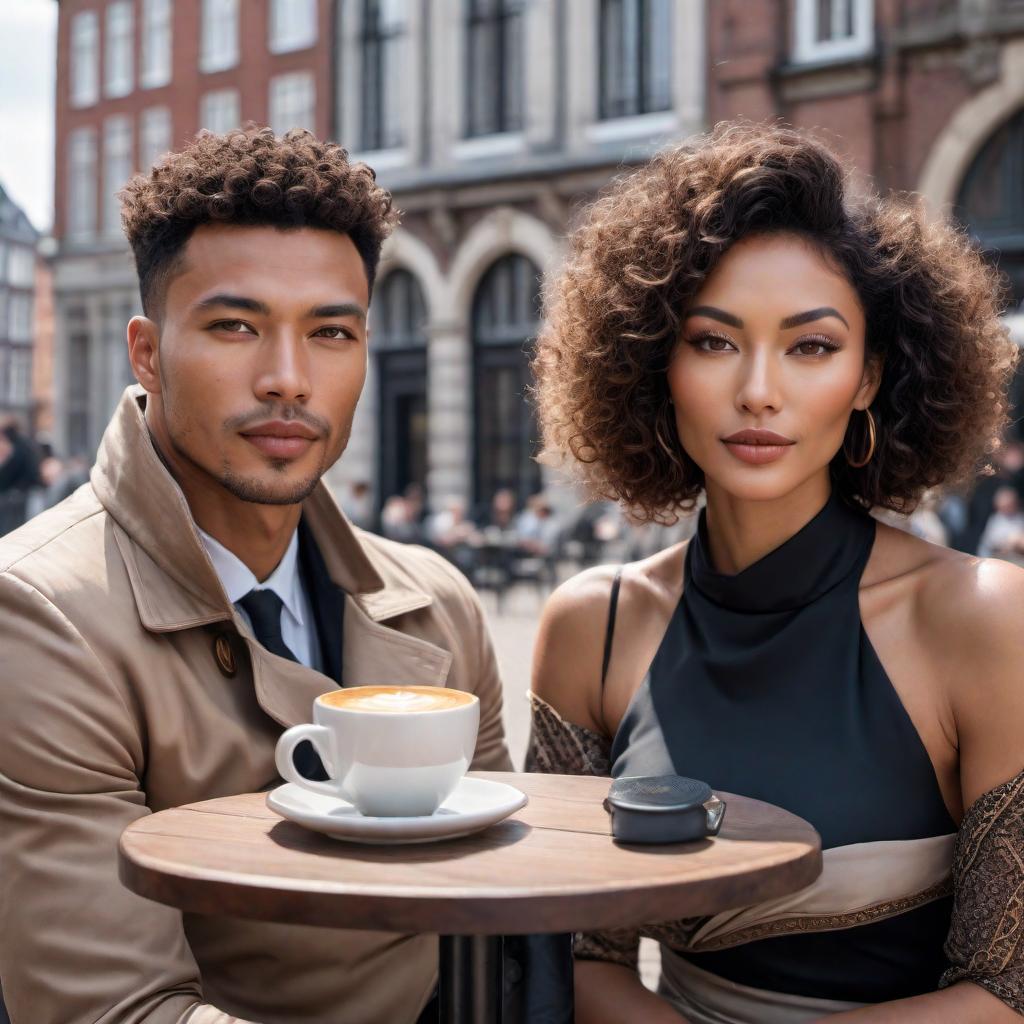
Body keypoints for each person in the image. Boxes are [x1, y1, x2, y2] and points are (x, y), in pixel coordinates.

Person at [0, 126, 512, 1024]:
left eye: (330, 332)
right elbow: (119, 1009)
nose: (288, 378)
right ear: (148, 353)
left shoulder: (438, 607)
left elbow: (508, 917)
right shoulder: (38, 615)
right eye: (236, 326)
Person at [528, 123, 1024, 1022]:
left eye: (812, 347)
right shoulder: (589, 626)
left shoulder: (985, 619)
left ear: (871, 375)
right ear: (655, 364)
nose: (759, 389)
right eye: (715, 342)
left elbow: (1009, 990)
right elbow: (565, 953)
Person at [977, 485, 1024, 564]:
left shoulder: (1020, 518)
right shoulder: (995, 520)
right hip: (999, 560)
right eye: (1005, 506)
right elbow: (990, 543)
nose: (1007, 509)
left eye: (1010, 505)